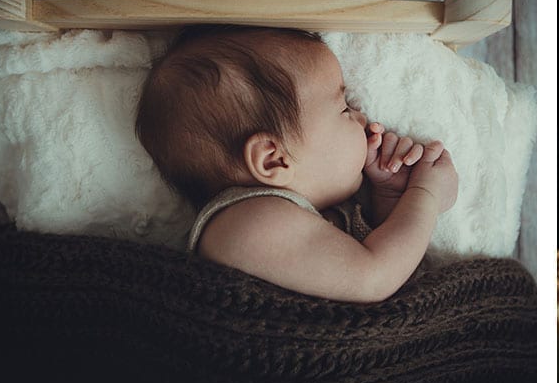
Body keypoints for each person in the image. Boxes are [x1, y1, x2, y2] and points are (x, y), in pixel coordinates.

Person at [135, 25, 458, 303]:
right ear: (273, 159)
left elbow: (392, 272)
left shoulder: (302, 216)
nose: (362, 116)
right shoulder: (249, 223)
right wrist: (424, 196)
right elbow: (373, 278)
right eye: (344, 109)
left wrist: (389, 197)